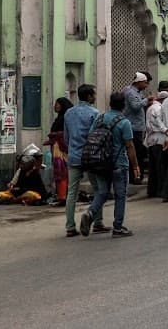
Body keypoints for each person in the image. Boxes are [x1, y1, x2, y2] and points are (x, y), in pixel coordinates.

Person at [78, 91, 140, 238]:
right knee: (120, 195)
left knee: (102, 192)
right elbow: (130, 146)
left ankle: (90, 213)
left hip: (100, 163)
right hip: (119, 164)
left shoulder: (100, 118)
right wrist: (136, 166)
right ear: (123, 106)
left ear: (110, 104)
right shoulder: (124, 122)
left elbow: (91, 137)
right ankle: (118, 227)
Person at [62, 84, 100, 237]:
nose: (95, 97)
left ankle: (70, 226)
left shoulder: (69, 113)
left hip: (74, 155)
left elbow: (66, 137)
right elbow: (95, 136)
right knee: (98, 190)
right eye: (94, 94)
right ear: (89, 96)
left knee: (72, 192)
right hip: (90, 156)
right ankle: (97, 222)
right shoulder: (94, 113)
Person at [45, 96, 71, 206]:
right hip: (57, 147)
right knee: (60, 172)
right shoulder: (60, 118)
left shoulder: (65, 118)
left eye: (58, 104)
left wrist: (54, 134)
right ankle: (61, 195)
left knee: (61, 172)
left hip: (61, 149)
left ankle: (63, 196)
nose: (55, 106)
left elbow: (66, 133)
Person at [123, 73, 150, 177]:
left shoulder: (138, 92)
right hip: (133, 127)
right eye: (145, 83)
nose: (146, 85)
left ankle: (136, 175)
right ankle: (135, 175)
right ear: (139, 82)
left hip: (138, 126)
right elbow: (135, 106)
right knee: (136, 152)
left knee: (139, 152)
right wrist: (147, 100)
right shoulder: (131, 93)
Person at [142, 89, 166, 198]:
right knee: (160, 166)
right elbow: (160, 124)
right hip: (159, 139)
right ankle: (160, 190)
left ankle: (151, 190)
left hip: (151, 139)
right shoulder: (159, 109)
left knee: (152, 166)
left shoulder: (150, 108)